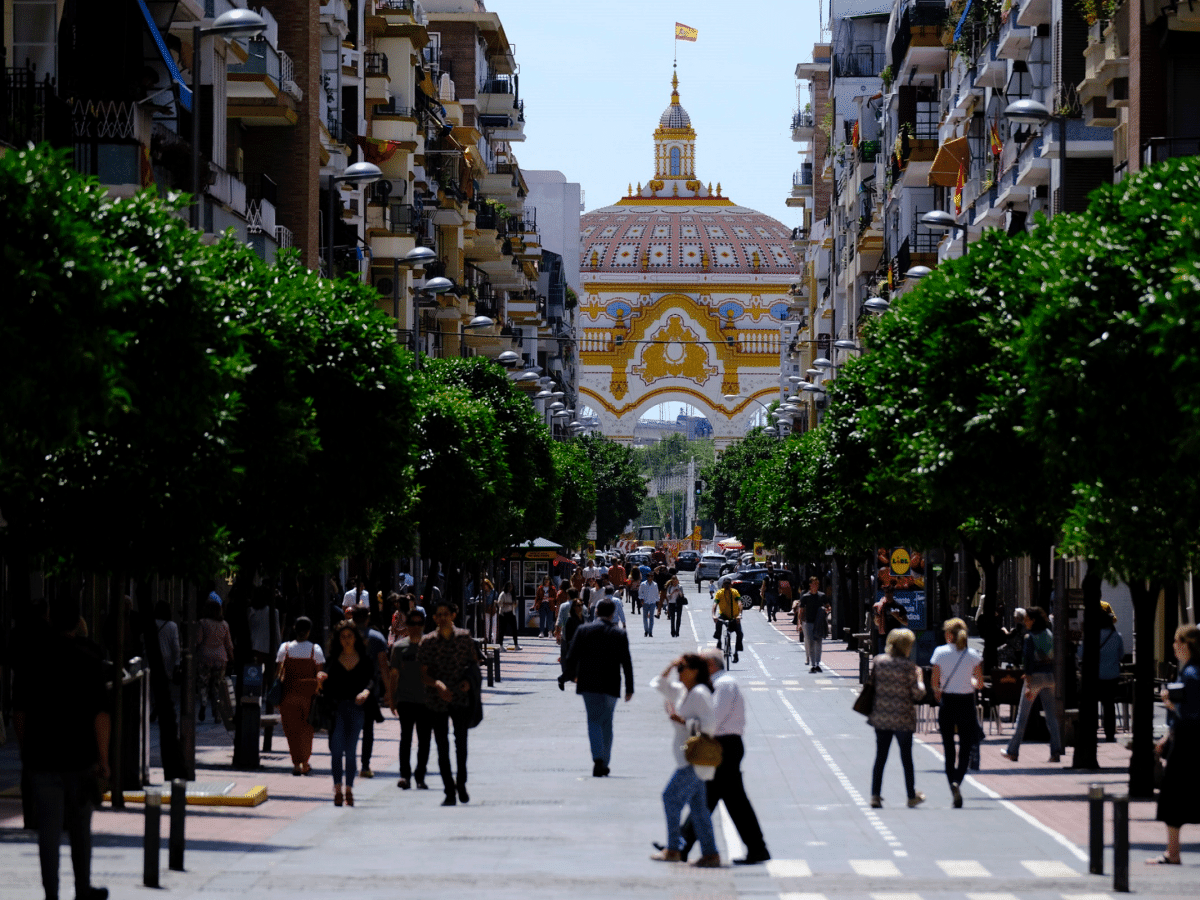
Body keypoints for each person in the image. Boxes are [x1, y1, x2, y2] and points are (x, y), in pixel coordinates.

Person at [13, 598, 111, 900]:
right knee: (81, 827)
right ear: (78, 622)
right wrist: (103, 758)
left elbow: (19, 713)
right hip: (80, 759)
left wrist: (26, 749)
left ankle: (51, 894)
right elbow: (101, 715)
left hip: (42, 758)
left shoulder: (32, 658)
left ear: (50, 620)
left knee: (49, 831)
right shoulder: (91, 657)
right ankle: (83, 888)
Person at [677, 649, 770, 864]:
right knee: (729, 801)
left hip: (724, 746)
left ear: (710, 665)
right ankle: (757, 848)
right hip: (724, 746)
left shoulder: (724, 685)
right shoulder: (718, 684)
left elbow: (713, 719)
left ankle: (681, 846)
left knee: (711, 798)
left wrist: (689, 725)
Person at [649, 654, 721, 868]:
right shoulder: (682, 691)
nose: (679, 672)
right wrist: (670, 665)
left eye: (683, 668)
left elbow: (709, 726)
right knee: (699, 809)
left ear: (695, 671)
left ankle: (673, 849)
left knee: (670, 797)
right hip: (685, 758)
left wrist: (684, 722)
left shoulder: (699, 694)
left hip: (695, 759)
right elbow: (658, 684)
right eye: (678, 669)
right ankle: (710, 854)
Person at [419, 599, 481, 806]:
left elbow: (473, 664)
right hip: (437, 699)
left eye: (447, 613)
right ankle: (449, 790)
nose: (443, 618)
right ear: (434, 618)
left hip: (460, 697)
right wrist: (436, 684)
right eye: (439, 615)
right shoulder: (427, 642)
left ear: (452, 615)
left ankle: (461, 782)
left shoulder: (464, 638)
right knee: (442, 745)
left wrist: (468, 683)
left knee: (461, 744)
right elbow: (422, 674)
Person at [562, 598, 634, 776]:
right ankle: (605, 760)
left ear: (595, 612)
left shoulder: (583, 630)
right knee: (607, 722)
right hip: (611, 684)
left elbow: (570, 657)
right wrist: (629, 688)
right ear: (612, 614)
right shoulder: (619, 634)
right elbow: (627, 663)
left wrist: (572, 676)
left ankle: (598, 759)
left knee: (593, 720)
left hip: (588, 683)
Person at [1147, 625, 1200, 865]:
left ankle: (1173, 852)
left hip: (1188, 743)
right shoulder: (1189, 671)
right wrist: (1168, 736)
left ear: (1187, 644)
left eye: (1177, 641)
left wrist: (1171, 705)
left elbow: (1192, 712)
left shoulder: (1191, 674)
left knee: (1172, 796)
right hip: (1186, 739)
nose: (1173, 646)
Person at [867, 628, 926, 809]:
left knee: (881, 756)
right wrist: (920, 679)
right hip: (903, 717)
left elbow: (872, 685)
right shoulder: (909, 667)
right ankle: (910, 795)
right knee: (906, 757)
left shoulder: (878, 662)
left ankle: (875, 795)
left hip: (882, 716)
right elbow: (917, 694)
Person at [316, 621, 373, 806]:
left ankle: (348, 789)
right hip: (336, 709)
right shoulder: (333, 659)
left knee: (350, 751)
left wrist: (366, 692)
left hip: (356, 710)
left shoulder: (363, 659)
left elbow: (372, 680)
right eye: (343, 636)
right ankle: (337, 788)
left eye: (350, 636)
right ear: (338, 639)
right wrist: (321, 680)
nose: (346, 640)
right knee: (336, 750)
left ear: (355, 638)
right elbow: (325, 685)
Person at [930, 617, 984, 808]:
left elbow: (934, 683)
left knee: (948, 747)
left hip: (948, 702)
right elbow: (980, 683)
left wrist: (940, 697)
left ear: (948, 634)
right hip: (966, 703)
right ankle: (957, 782)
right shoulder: (973, 655)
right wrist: (969, 682)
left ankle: (951, 782)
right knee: (965, 746)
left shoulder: (940, 653)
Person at [1000, 606, 1064, 763]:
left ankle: (1013, 750)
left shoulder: (1030, 638)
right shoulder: (1049, 634)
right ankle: (1056, 750)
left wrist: (1028, 683)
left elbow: (1028, 661)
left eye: (1027, 618)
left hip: (1034, 678)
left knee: (1022, 717)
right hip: (1049, 677)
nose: (1025, 621)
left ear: (1033, 620)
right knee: (1051, 717)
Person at [274, 617, 324, 776]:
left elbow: (278, 673)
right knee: (307, 730)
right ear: (309, 631)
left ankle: (296, 763)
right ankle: (305, 762)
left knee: (291, 730)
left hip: (288, 694)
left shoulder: (285, 648)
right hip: (308, 696)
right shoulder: (315, 650)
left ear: (294, 628)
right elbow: (320, 674)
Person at [388, 610, 432, 790]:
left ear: (423, 626)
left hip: (426, 701)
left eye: (418, 624)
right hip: (405, 700)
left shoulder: (430, 646)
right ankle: (404, 776)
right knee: (405, 738)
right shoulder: (399, 648)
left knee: (424, 740)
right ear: (407, 626)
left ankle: (420, 776)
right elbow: (393, 675)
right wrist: (391, 699)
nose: (414, 628)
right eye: (411, 624)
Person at [351, 605, 390, 778]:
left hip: (347, 690)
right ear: (367, 618)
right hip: (369, 690)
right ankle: (365, 766)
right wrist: (389, 691)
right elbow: (383, 667)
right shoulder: (377, 637)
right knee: (368, 730)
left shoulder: (343, 636)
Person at [1077, 601, 1125, 742]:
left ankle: (1092, 732)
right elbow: (1121, 655)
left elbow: (1080, 654)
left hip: (1094, 676)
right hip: (1112, 675)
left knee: (1092, 704)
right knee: (1109, 705)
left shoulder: (1090, 636)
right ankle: (1110, 734)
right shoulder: (1117, 637)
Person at [194, 598, 235, 722]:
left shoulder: (203, 623)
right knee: (217, 686)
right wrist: (231, 657)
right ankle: (216, 713)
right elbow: (228, 644)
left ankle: (203, 703)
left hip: (204, 657)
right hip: (221, 658)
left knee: (203, 684)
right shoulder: (224, 624)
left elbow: (198, 640)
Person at [799, 576, 831, 672]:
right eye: (814, 583)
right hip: (808, 622)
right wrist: (799, 624)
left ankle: (817, 663)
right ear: (810, 585)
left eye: (817, 584)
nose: (815, 586)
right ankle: (813, 665)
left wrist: (826, 610)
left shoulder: (822, 596)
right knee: (811, 643)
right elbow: (801, 610)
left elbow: (828, 606)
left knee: (819, 643)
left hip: (819, 623)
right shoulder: (805, 597)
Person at [556, 597, 587, 689]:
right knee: (573, 667)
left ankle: (565, 678)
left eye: (581, 605)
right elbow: (569, 635)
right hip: (573, 646)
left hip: (581, 645)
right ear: (573, 607)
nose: (580, 607)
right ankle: (562, 678)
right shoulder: (571, 619)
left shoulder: (582, 618)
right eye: (578, 605)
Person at [711, 576, 743, 664]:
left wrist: (740, 615)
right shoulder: (719, 593)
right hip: (724, 615)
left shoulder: (735, 592)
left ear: (731, 585)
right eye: (725, 584)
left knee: (739, 633)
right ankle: (719, 641)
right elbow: (715, 604)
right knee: (718, 622)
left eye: (728, 584)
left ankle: (736, 652)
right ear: (722, 585)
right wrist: (714, 615)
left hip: (734, 616)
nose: (726, 586)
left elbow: (740, 603)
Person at [872, 584, 909, 655]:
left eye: (890, 592)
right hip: (883, 636)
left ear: (892, 593)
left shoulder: (898, 606)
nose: (888, 594)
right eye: (886, 592)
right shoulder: (880, 606)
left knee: (895, 657)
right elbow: (876, 623)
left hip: (895, 636)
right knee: (883, 657)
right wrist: (877, 617)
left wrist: (896, 616)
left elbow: (905, 622)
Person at [496, 581, 520, 651]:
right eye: (509, 586)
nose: (510, 588)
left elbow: (515, 604)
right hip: (503, 613)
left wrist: (514, 604)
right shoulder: (503, 594)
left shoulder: (512, 594)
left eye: (511, 587)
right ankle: (501, 645)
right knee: (502, 630)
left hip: (511, 613)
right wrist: (508, 603)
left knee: (514, 629)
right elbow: (500, 603)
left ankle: (516, 645)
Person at [665, 574, 685, 638]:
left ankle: (677, 632)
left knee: (678, 618)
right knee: (672, 618)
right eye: (673, 580)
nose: (674, 582)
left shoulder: (680, 587)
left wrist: (679, 591)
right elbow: (668, 596)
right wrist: (673, 592)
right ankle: (672, 631)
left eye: (675, 580)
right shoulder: (670, 587)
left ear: (677, 581)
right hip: (671, 603)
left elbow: (682, 595)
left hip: (678, 603)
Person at [479, 578, 497, 646]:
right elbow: (478, 599)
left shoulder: (493, 592)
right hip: (486, 610)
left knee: (494, 626)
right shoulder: (482, 593)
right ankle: (487, 639)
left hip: (493, 610)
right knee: (487, 625)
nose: (484, 587)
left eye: (485, 585)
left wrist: (494, 603)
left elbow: (496, 599)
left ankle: (494, 640)